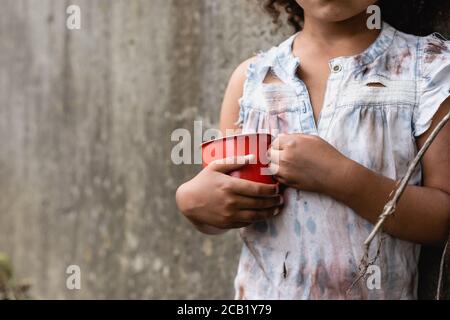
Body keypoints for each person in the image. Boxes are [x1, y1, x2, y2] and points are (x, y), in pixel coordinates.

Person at [176, 0, 450, 299]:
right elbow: (229, 202)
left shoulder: (426, 70)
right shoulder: (252, 82)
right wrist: (194, 206)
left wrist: (340, 177)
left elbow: (441, 220)